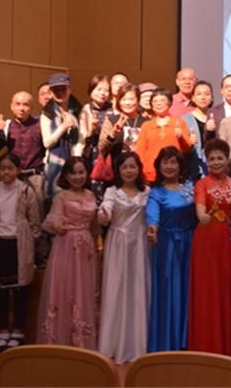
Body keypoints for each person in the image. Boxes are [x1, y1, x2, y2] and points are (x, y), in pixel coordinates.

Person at [0, 153, 41, 355]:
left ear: (18, 170)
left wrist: (31, 241)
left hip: (19, 243)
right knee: (2, 290)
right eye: (2, 168)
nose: (6, 172)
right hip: (0, 243)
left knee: (20, 289)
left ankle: (19, 331)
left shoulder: (25, 191)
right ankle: (3, 331)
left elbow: (34, 221)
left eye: (10, 168)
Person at [37, 156, 99, 348]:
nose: (78, 176)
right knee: (65, 289)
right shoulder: (61, 196)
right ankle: (59, 339)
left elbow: (95, 226)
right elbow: (51, 221)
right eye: (73, 173)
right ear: (66, 175)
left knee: (84, 290)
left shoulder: (91, 195)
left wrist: (96, 246)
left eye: (81, 172)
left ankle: (81, 339)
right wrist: (57, 225)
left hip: (86, 249)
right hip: (66, 246)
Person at [97, 152, 150, 364]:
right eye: (125, 167)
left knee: (138, 289)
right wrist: (103, 214)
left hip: (140, 243)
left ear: (139, 169)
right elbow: (106, 211)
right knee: (116, 289)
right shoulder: (112, 192)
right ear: (118, 171)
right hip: (118, 244)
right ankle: (114, 342)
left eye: (132, 166)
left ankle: (138, 343)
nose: (129, 171)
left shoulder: (147, 191)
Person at [188, 139, 231, 354]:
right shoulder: (202, 184)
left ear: (228, 160)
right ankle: (207, 343)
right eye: (212, 159)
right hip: (207, 241)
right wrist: (202, 215)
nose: (216, 162)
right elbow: (200, 207)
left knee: (228, 288)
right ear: (206, 162)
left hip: (230, 240)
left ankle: (228, 344)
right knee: (208, 290)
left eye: (220, 158)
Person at [146, 147, 198, 351]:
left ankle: (188, 339)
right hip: (167, 245)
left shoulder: (190, 187)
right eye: (165, 162)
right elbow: (152, 214)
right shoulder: (156, 192)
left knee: (189, 289)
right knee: (168, 291)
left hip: (190, 243)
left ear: (180, 165)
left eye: (173, 162)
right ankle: (168, 340)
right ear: (159, 166)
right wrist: (152, 228)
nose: (169, 166)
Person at [0, 91, 45, 212]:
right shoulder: (7, 125)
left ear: (31, 107)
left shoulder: (40, 124)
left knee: (37, 213)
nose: (21, 108)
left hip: (35, 177)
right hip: (13, 177)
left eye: (26, 104)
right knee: (14, 212)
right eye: (18, 104)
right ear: (11, 106)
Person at [135, 88, 196, 183]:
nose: (158, 104)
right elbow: (140, 151)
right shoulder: (146, 125)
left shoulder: (179, 123)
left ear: (170, 103)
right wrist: (143, 171)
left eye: (162, 100)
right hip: (150, 174)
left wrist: (181, 138)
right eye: (155, 101)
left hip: (173, 173)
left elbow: (187, 149)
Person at [40, 73, 81, 203]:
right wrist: (63, 127)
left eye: (63, 88)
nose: (60, 92)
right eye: (56, 89)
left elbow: (80, 140)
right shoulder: (47, 113)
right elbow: (47, 143)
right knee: (54, 202)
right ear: (51, 92)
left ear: (69, 89)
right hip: (54, 164)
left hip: (75, 165)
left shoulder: (78, 110)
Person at [78, 74, 112, 203]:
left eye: (106, 90)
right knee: (93, 190)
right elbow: (83, 138)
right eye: (99, 89)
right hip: (92, 154)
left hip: (109, 153)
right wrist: (92, 128)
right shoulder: (86, 109)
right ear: (91, 90)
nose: (103, 93)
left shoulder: (113, 108)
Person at [97, 83, 145, 162]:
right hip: (118, 167)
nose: (127, 103)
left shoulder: (146, 122)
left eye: (131, 99)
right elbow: (101, 149)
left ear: (138, 100)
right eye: (124, 99)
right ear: (119, 101)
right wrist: (112, 134)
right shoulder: (112, 121)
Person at [188, 80, 218, 145]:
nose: (203, 97)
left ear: (212, 98)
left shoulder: (218, 116)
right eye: (199, 94)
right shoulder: (186, 119)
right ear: (193, 98)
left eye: (207, 94)